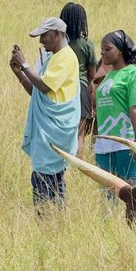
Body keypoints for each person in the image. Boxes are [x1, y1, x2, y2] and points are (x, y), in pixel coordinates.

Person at [10, 17, 80, 212]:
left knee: (43, 178)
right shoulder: (52, 58)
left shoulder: (66, 57)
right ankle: (54, 223)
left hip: (54, 130)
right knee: (51, 181)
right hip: (48, 130)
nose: (41, 41)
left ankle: (47, 222)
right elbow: (37, 93)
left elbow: (45, 85)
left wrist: (25, 65)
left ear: (57, 35)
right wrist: (19, 73)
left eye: (44, 36)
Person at [94, 30, 136, 192]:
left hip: (126, 143)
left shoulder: (134, 74)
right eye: (101, 49)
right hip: (105, 144)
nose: (102, 53)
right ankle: (110, 219)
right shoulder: (110, 74)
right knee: (108, 194)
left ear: (120, 50)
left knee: (131, 191)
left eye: (107, 49)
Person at [60, 3, 99, 140]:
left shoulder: (58, 44)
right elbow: (92, 75)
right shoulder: (86, 44)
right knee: (79, 134)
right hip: (81, 88)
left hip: (60, 89)